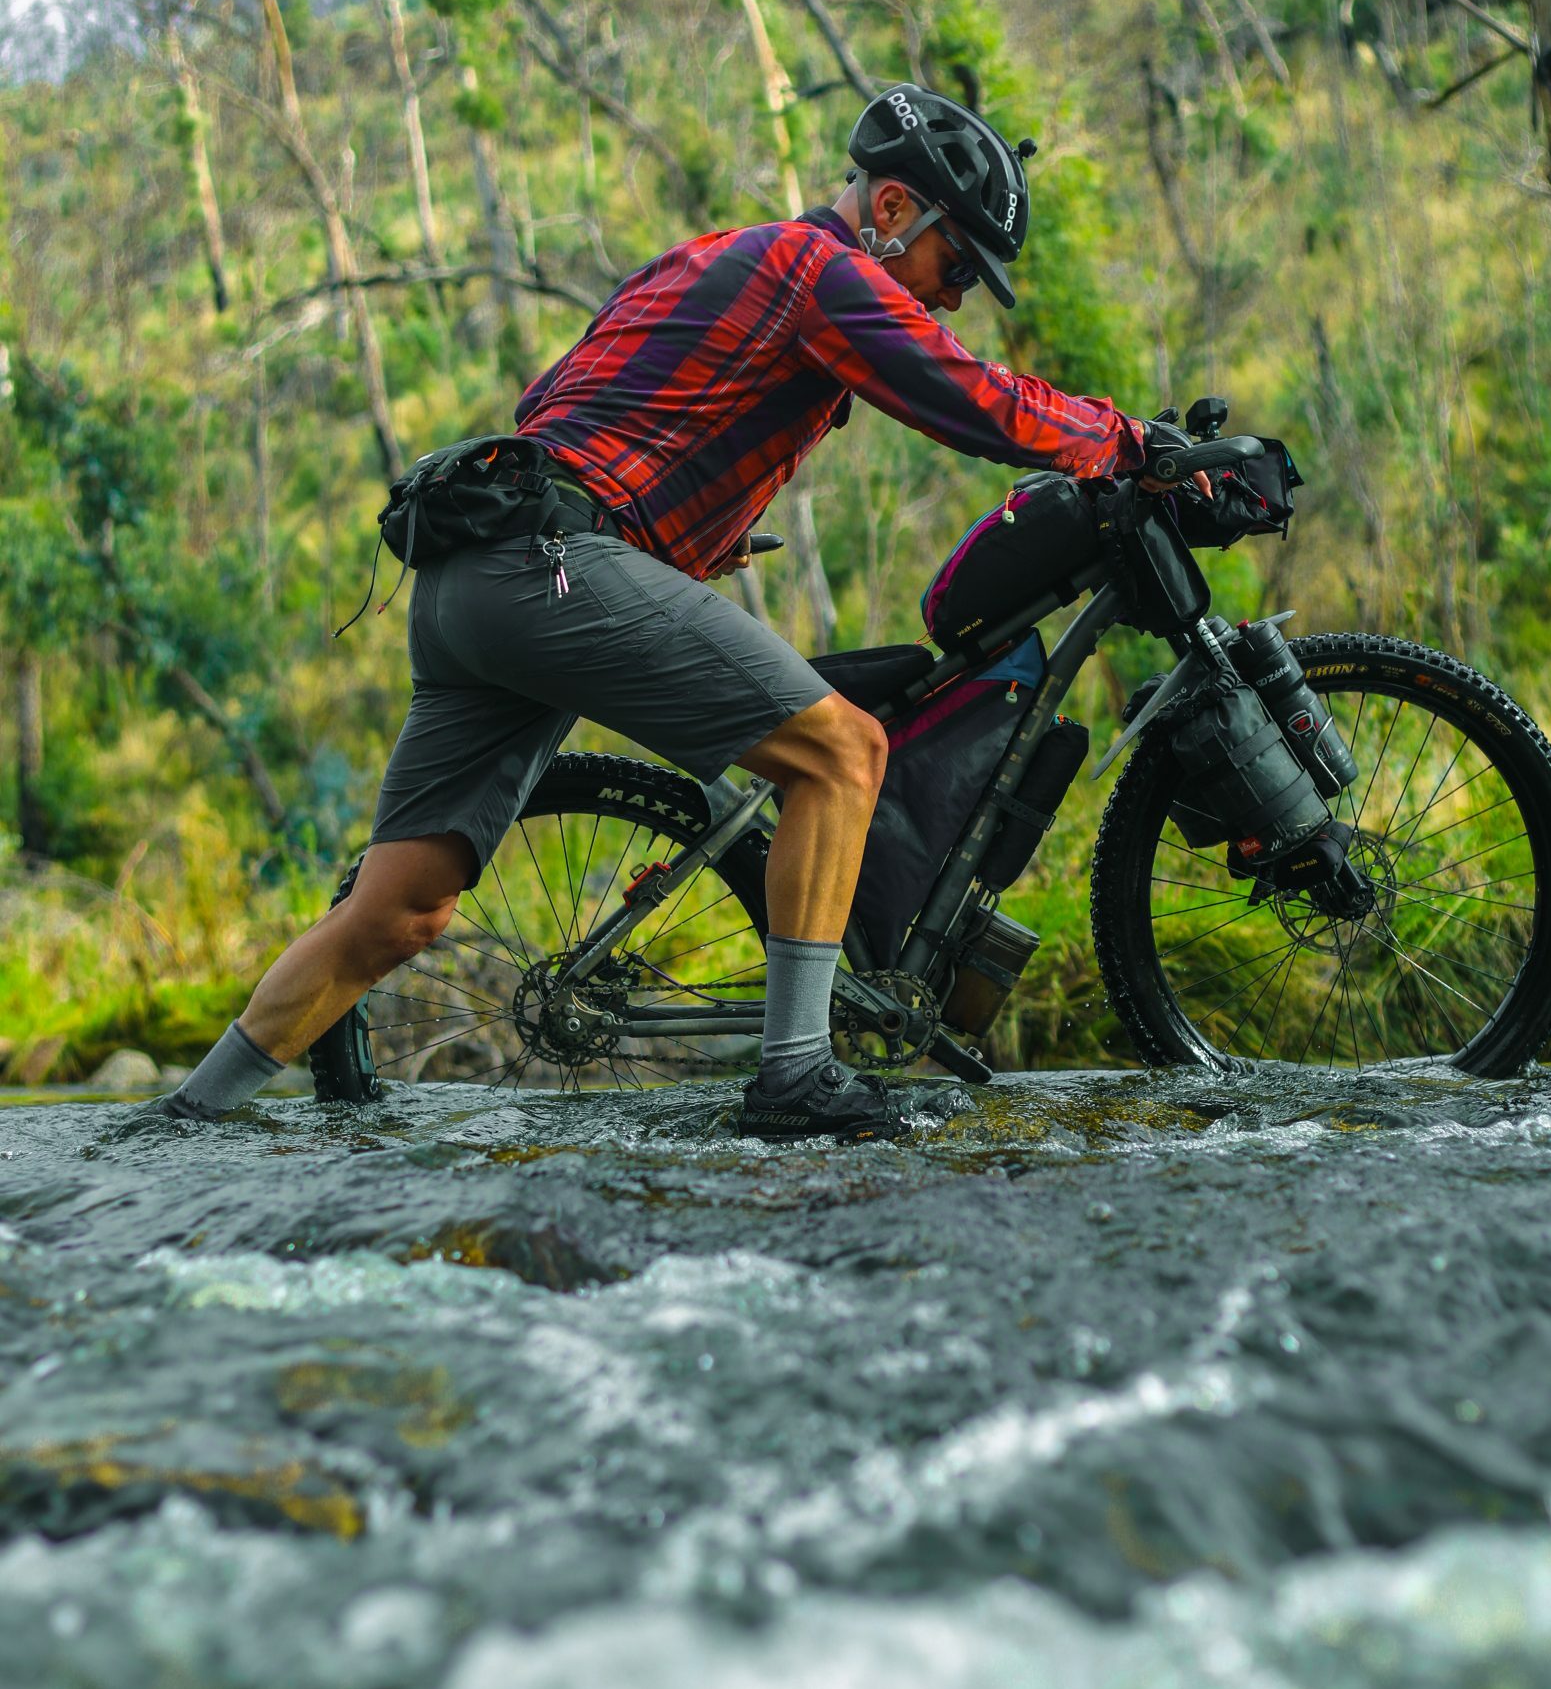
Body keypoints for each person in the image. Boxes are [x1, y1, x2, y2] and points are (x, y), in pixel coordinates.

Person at [150, 85, 1157, 1141]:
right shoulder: (827, 271)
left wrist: (693, 535)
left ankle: (184, 1119)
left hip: (465, 578)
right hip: (553, 565)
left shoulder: (706, 255)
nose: (952, 299)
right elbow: (968, 395)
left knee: (399, 909)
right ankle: (795, 1076)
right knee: (841, 754)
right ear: (895, 208)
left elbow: (561, 399)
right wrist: (1129, 442)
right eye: (956, 268)